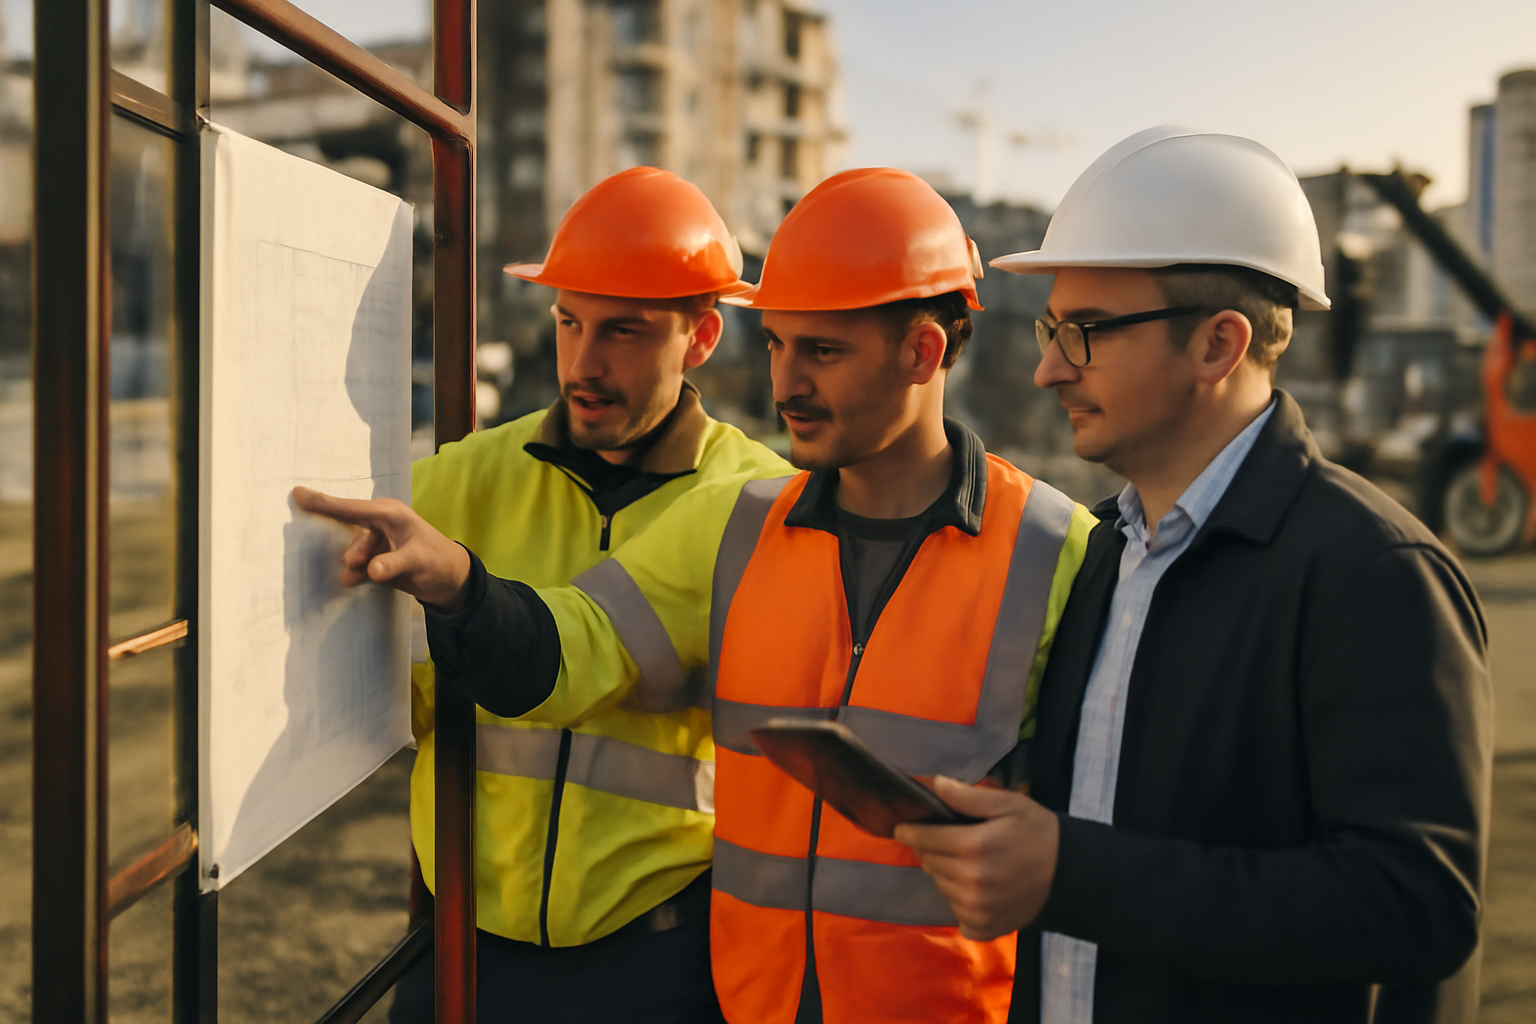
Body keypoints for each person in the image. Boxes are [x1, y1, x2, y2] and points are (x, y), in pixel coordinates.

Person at [296, 167, 1098, 1023]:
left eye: (820, 351)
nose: (787, 382)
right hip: (739, 998)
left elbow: (1110, 822)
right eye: (780, 344)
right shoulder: (743, 523)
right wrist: (459, 586)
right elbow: (579, 647)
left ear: (923, 351)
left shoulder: (1060, 551)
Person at [894, 126, 1493, 1024]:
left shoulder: (1373, 574)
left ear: (1219, 345)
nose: (1048, 366)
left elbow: (1418, 903)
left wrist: (1071, 870)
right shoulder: (1101, 553)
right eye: (1053, 328)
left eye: (1086, 332)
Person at [314, 166, 792, 1023]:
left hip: (657, 959)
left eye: (625, 332)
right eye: (569, 322)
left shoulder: (761, 501)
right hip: (465, 947)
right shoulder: (460, 481)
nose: (584, 362)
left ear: (704, 336)